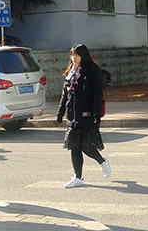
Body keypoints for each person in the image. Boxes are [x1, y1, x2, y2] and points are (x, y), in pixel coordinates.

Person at [56, 44, 110, 188]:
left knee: (86, 146)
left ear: (83, 56)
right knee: (74, 146)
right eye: (72, 55)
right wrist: (60, 113)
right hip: (73, 115)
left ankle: (102, 162)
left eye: (76, 55)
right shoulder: (70, 72)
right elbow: (64, 95)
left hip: (87, 115)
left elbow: (97, 95)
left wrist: (97, 115)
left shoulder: (92, 72)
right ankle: (78, 177)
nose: (73, 58)